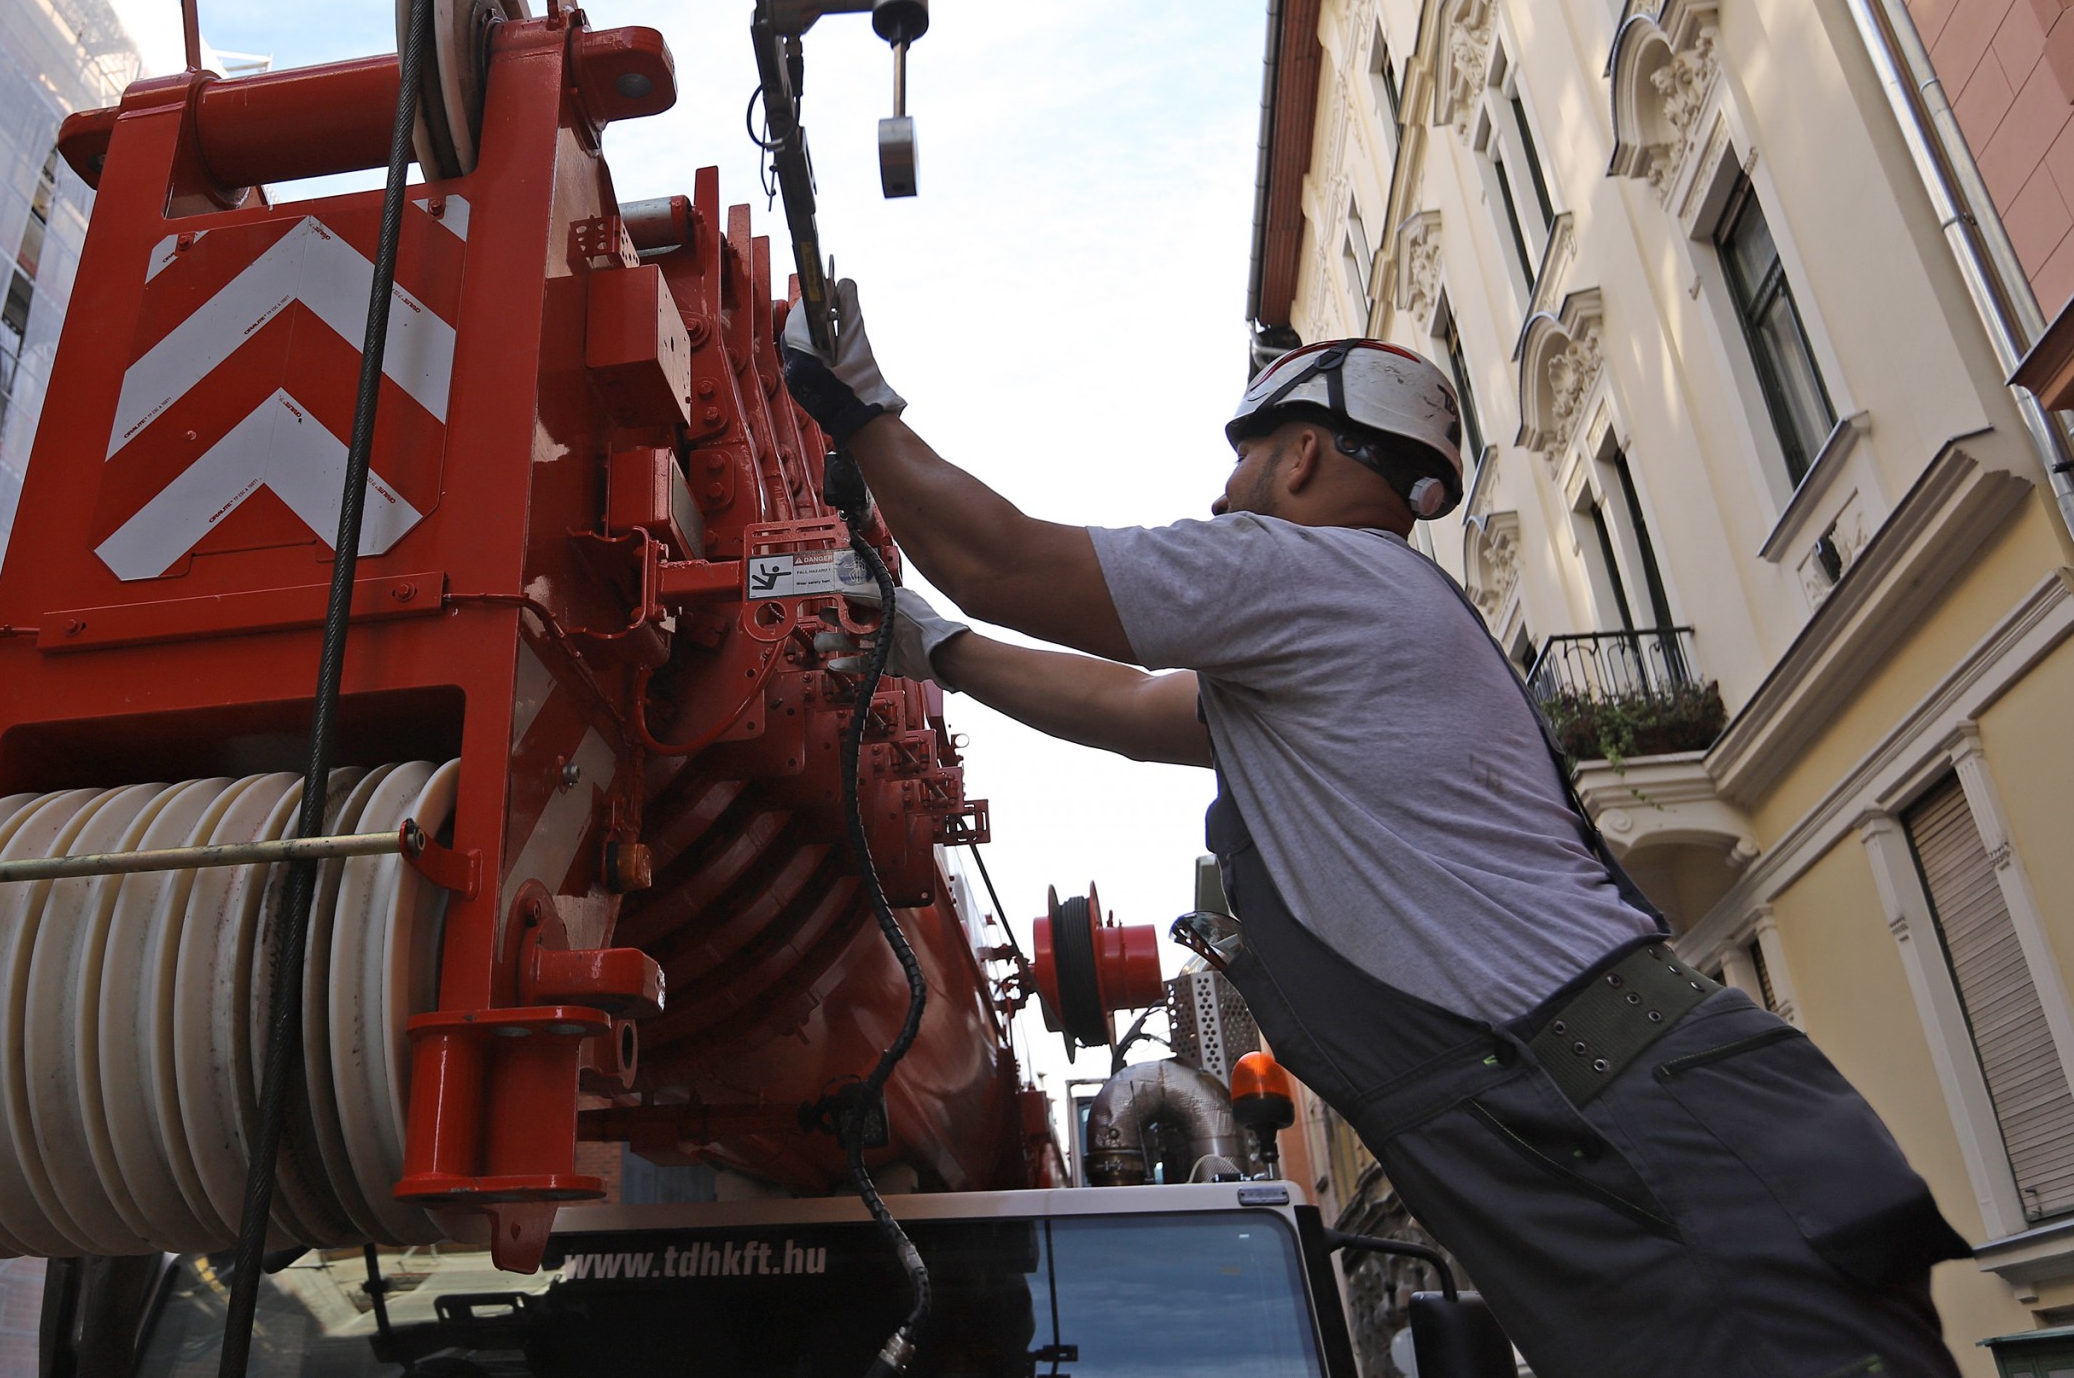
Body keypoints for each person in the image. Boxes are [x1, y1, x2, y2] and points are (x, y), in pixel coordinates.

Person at [782, 281, 1969, 1378]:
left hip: (1615, 1119)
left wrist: (862, 413)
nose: (1219, 496)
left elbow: (1006, 560)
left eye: (1240, 460)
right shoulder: (1350, 635)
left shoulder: (1307, 573)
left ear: (1300, 456)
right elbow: (1139, 712)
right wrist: (938, 649)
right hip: (1599, 1111)